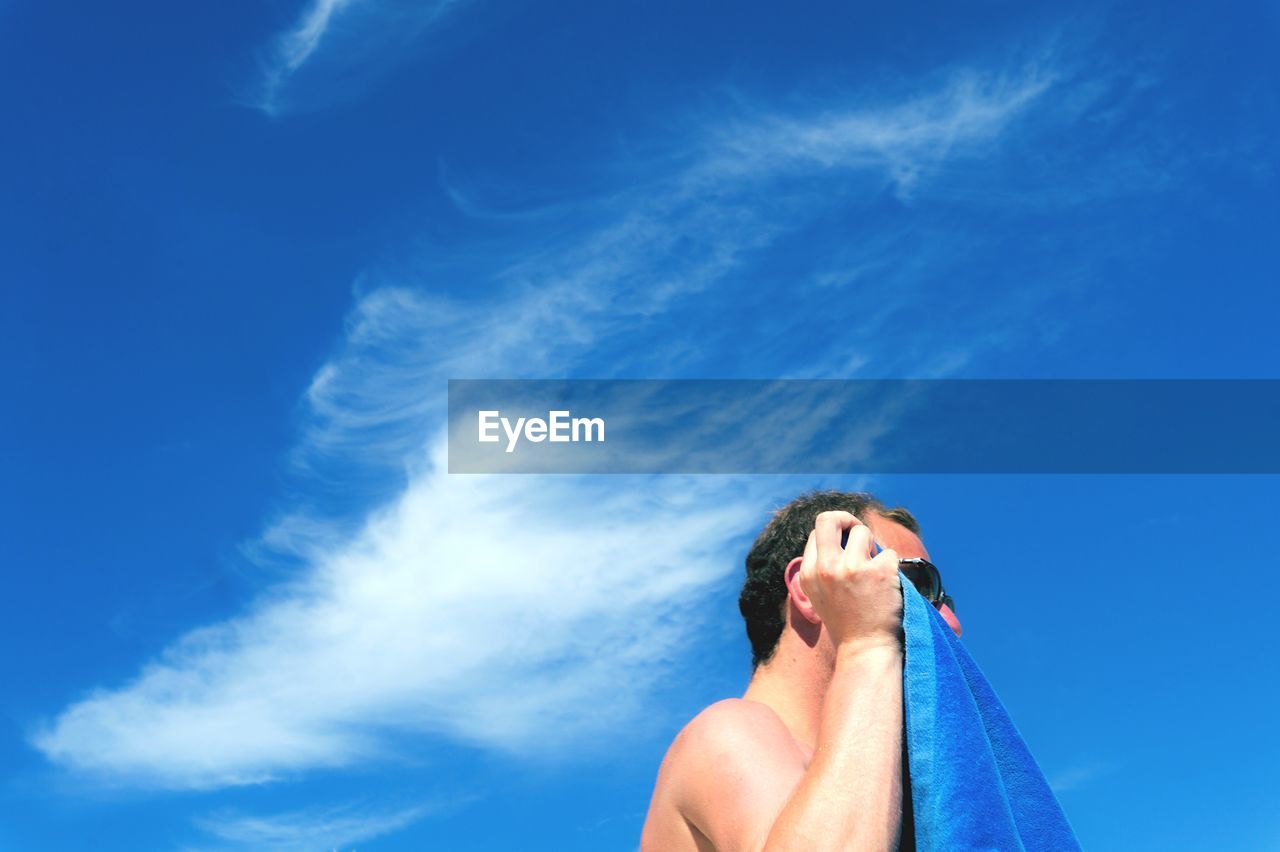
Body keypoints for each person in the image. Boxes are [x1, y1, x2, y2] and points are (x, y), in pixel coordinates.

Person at [640, 490, 963, 852]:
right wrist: (866, 643)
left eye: (944, 600)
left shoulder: (882, 784)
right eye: (918, 584)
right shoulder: (727, 732)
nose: (950, 622)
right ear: (809, 591)